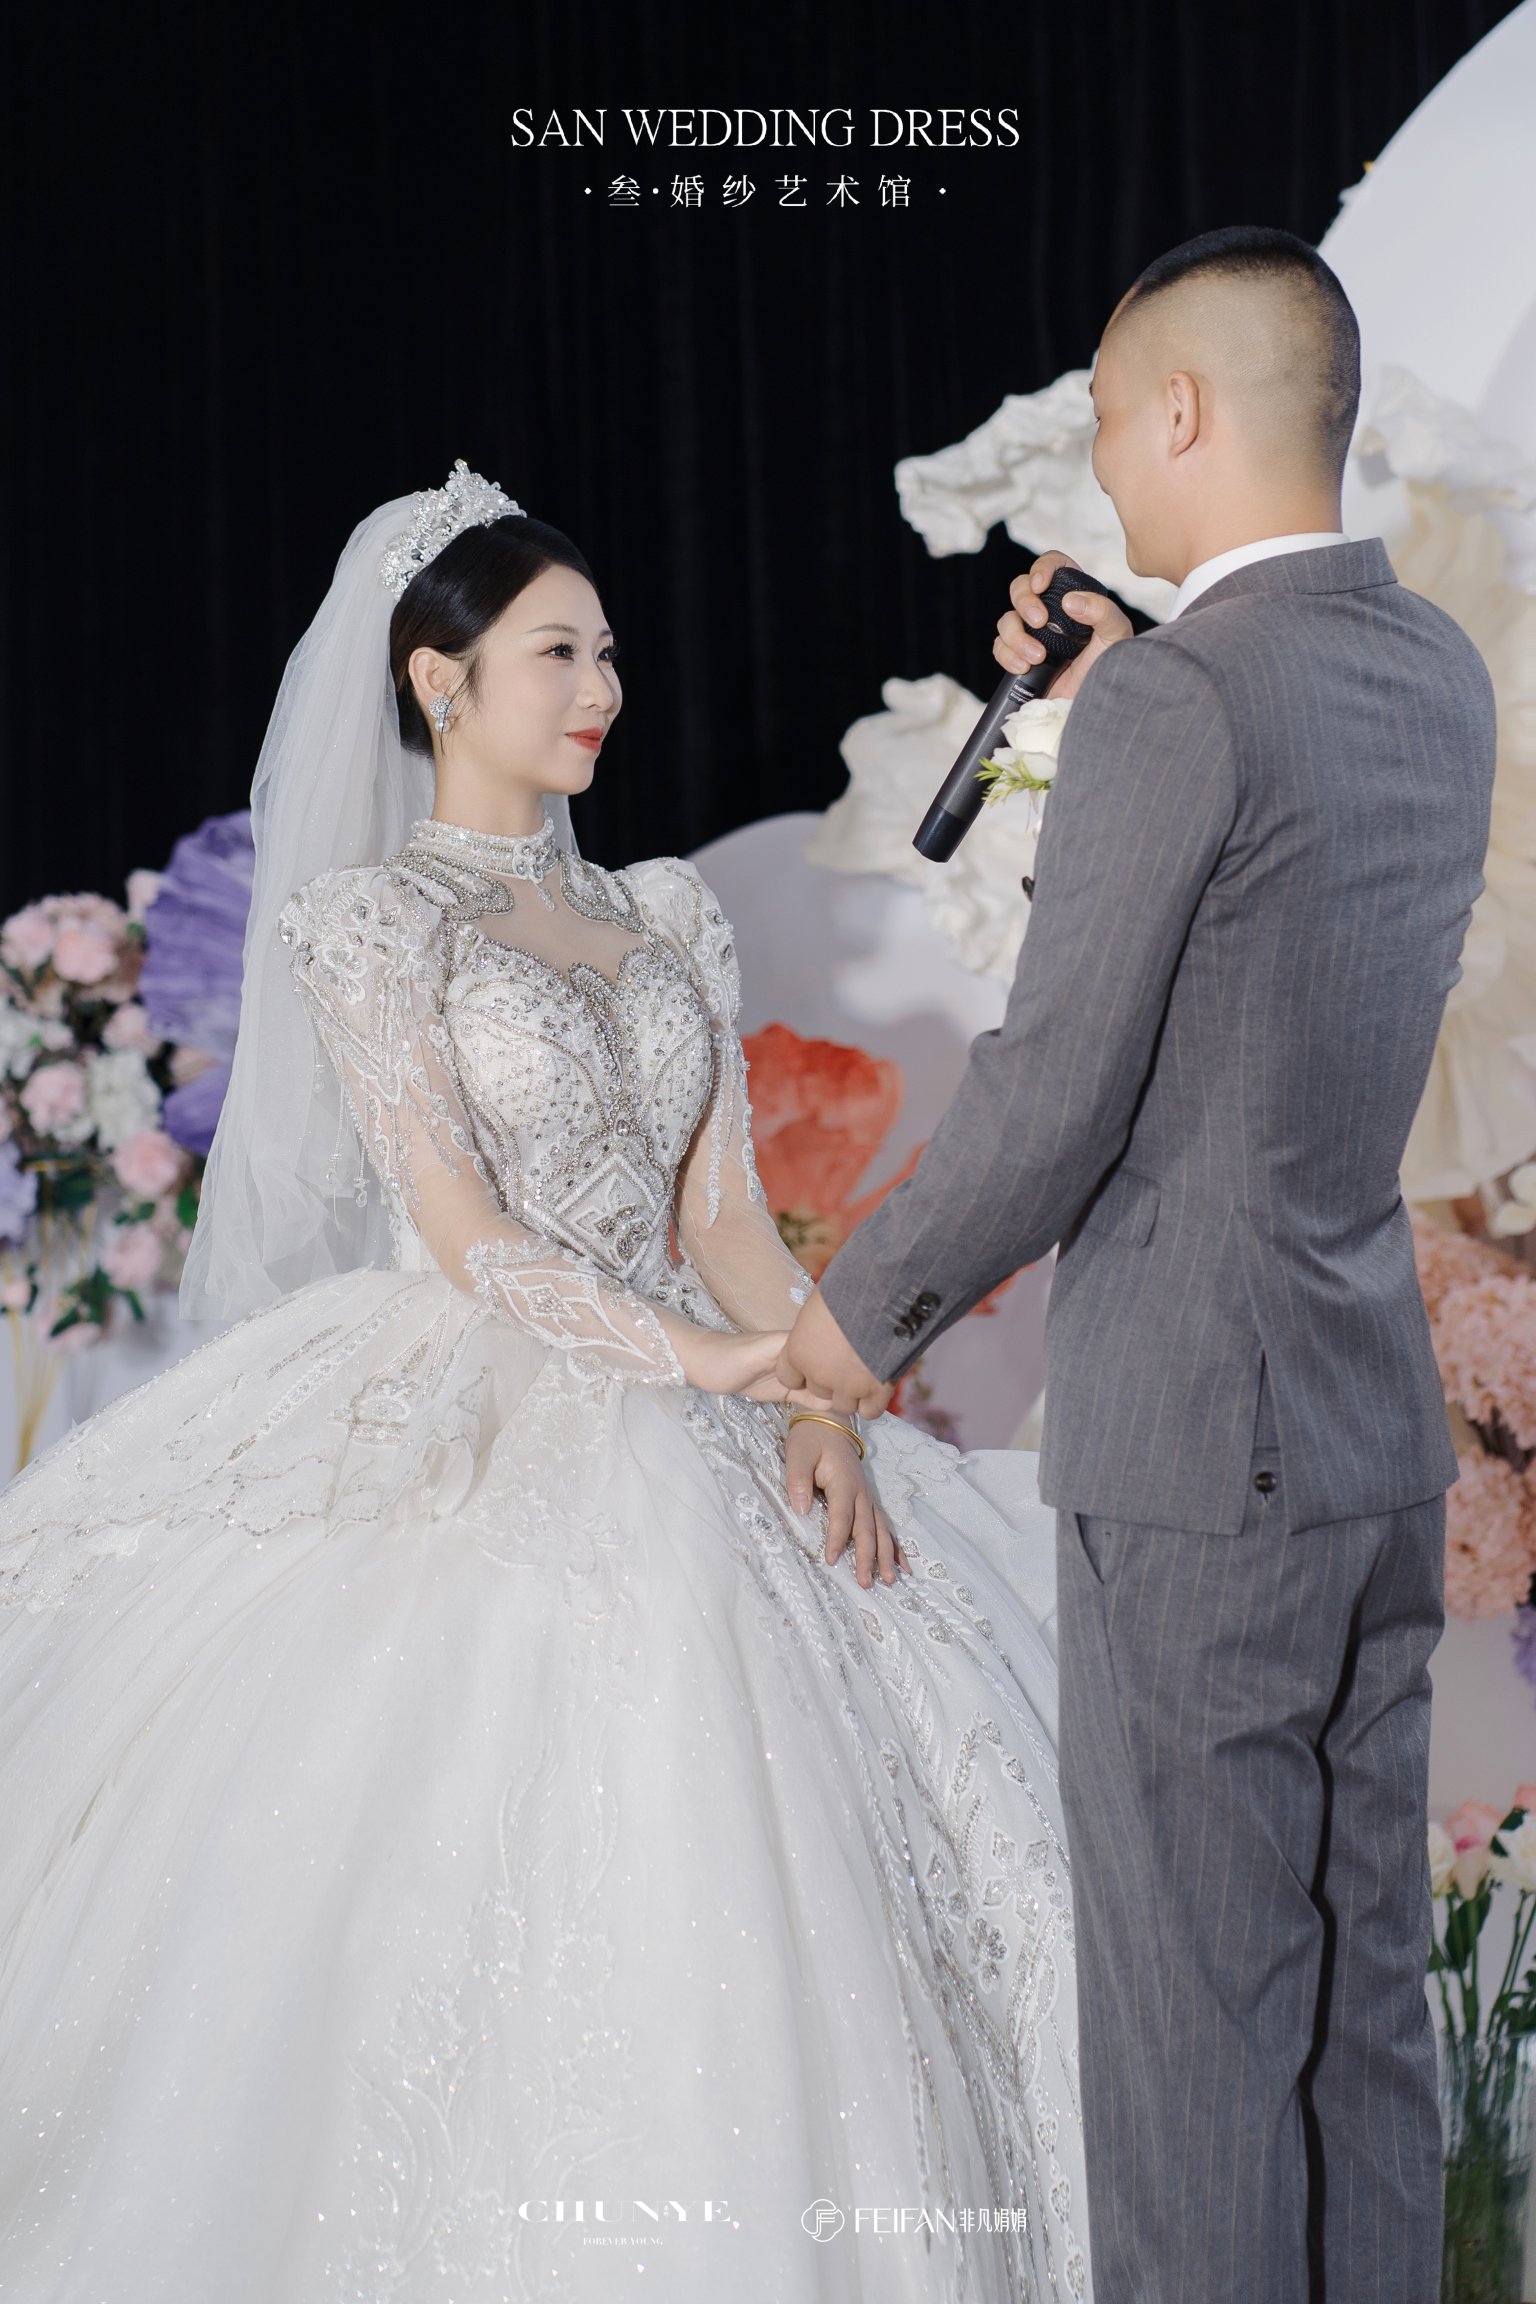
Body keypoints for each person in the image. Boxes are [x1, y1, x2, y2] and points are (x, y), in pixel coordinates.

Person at [0, 463, 1088, 2301]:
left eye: (610, 652)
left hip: (720, 1381)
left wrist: (815, 1397)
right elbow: (460, 1227)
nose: (603, 688)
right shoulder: (373, 922)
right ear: (440, 683)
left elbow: (725, 1213)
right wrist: (707, 1359)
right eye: (559, 653)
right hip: (484, 1386)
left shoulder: (667, 911)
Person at [781, 226, 1497, 2304]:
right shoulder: (1427, 666)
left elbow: (1053, 1094)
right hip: (1365, 1431)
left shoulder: (1181, 701)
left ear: (1179, 409)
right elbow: (1261, 897)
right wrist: (1116, 691)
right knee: (1360, 2024)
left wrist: (841, 1333)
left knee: (1195, 2043)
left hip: (1198, 1458)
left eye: (1107, 417)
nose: (1101, 460)